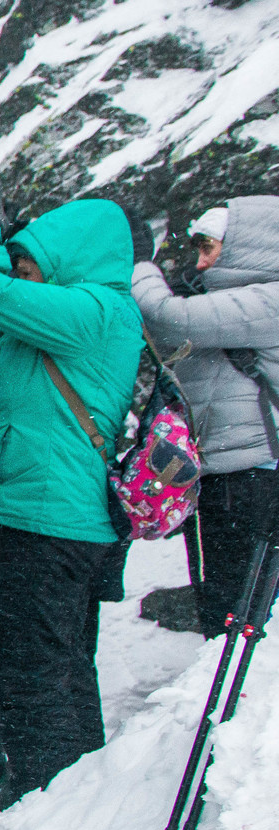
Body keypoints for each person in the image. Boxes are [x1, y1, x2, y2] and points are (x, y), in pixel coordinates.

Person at [0, 196, 140, 808]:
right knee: (36, 661)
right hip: (11, 512)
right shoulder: (40, 322)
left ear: (71, 257)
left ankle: (44, 795)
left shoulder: (98, 311)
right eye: (17, 259)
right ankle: (53, 792)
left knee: (39, 670)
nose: (20, 270)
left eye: (30, 260)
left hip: (52, 520)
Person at [131, 201, 279, 634]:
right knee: (226, 604)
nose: (200, 261)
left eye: (210, 248)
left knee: (238, 609)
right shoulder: (238, 302)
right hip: (229, 474)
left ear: (250, 246)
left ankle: (246, 690)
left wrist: (140, 264)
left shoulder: (269, 300)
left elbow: (167, 319)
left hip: (251, 479)